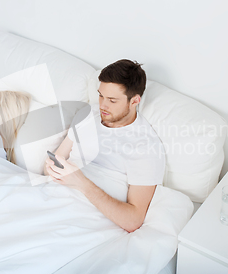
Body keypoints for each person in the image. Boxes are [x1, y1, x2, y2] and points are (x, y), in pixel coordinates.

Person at [44, 59, 165, 233]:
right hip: (50, 197)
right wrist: (52, 168)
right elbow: (54, 159)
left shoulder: (145, 146)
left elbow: (133, 220)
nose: (102, 105)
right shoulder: (87, 114)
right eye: (100, 95)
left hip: (84, 219)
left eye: (112, 100)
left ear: (135, 101)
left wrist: (81, 183)